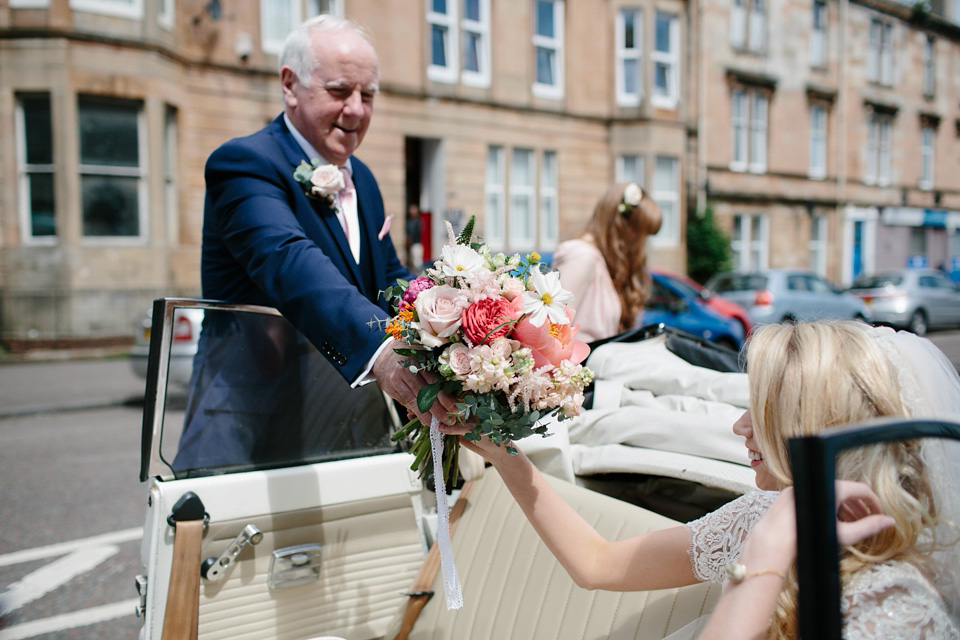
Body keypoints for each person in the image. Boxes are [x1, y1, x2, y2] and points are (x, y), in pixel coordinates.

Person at [441, 320, 960, 638]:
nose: (738, 426)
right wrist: (504, 455)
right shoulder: (766, 513)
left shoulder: (896, 607)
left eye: (762, 413)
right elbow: (599, 564)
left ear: (819, 431)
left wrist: (764, 559)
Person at [174, 15, 455, 470]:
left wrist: (462, 321)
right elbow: (289, 262)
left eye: (368, 95)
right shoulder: (243, 164)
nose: (358, 110)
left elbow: (387, 279)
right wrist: (382, 349)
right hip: (252, 421)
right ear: (290, 85)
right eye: (340, 91)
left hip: (346, 425)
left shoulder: (361, 176)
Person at [552, 182, 662, 343]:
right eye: (640, 233)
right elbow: (552, 329)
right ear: (623, 227)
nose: (642, 245)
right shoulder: (583, 257)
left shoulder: (600, 262)